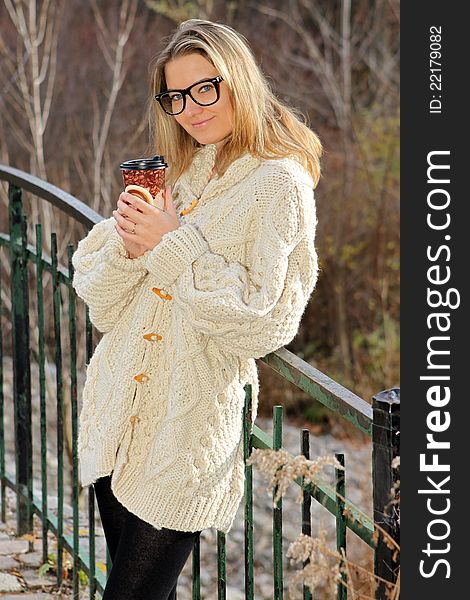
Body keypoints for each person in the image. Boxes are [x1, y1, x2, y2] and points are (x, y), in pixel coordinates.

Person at [72, 18, 322, 600]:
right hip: (116, 415)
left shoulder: (279, 184)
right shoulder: (182, 168)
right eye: (176, 95)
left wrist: (172, 243)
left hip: (183, 435)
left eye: (206, 87)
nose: (191, 108)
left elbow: (265, 321)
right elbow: (102, 303)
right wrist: (132, 248)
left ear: (240, 80)